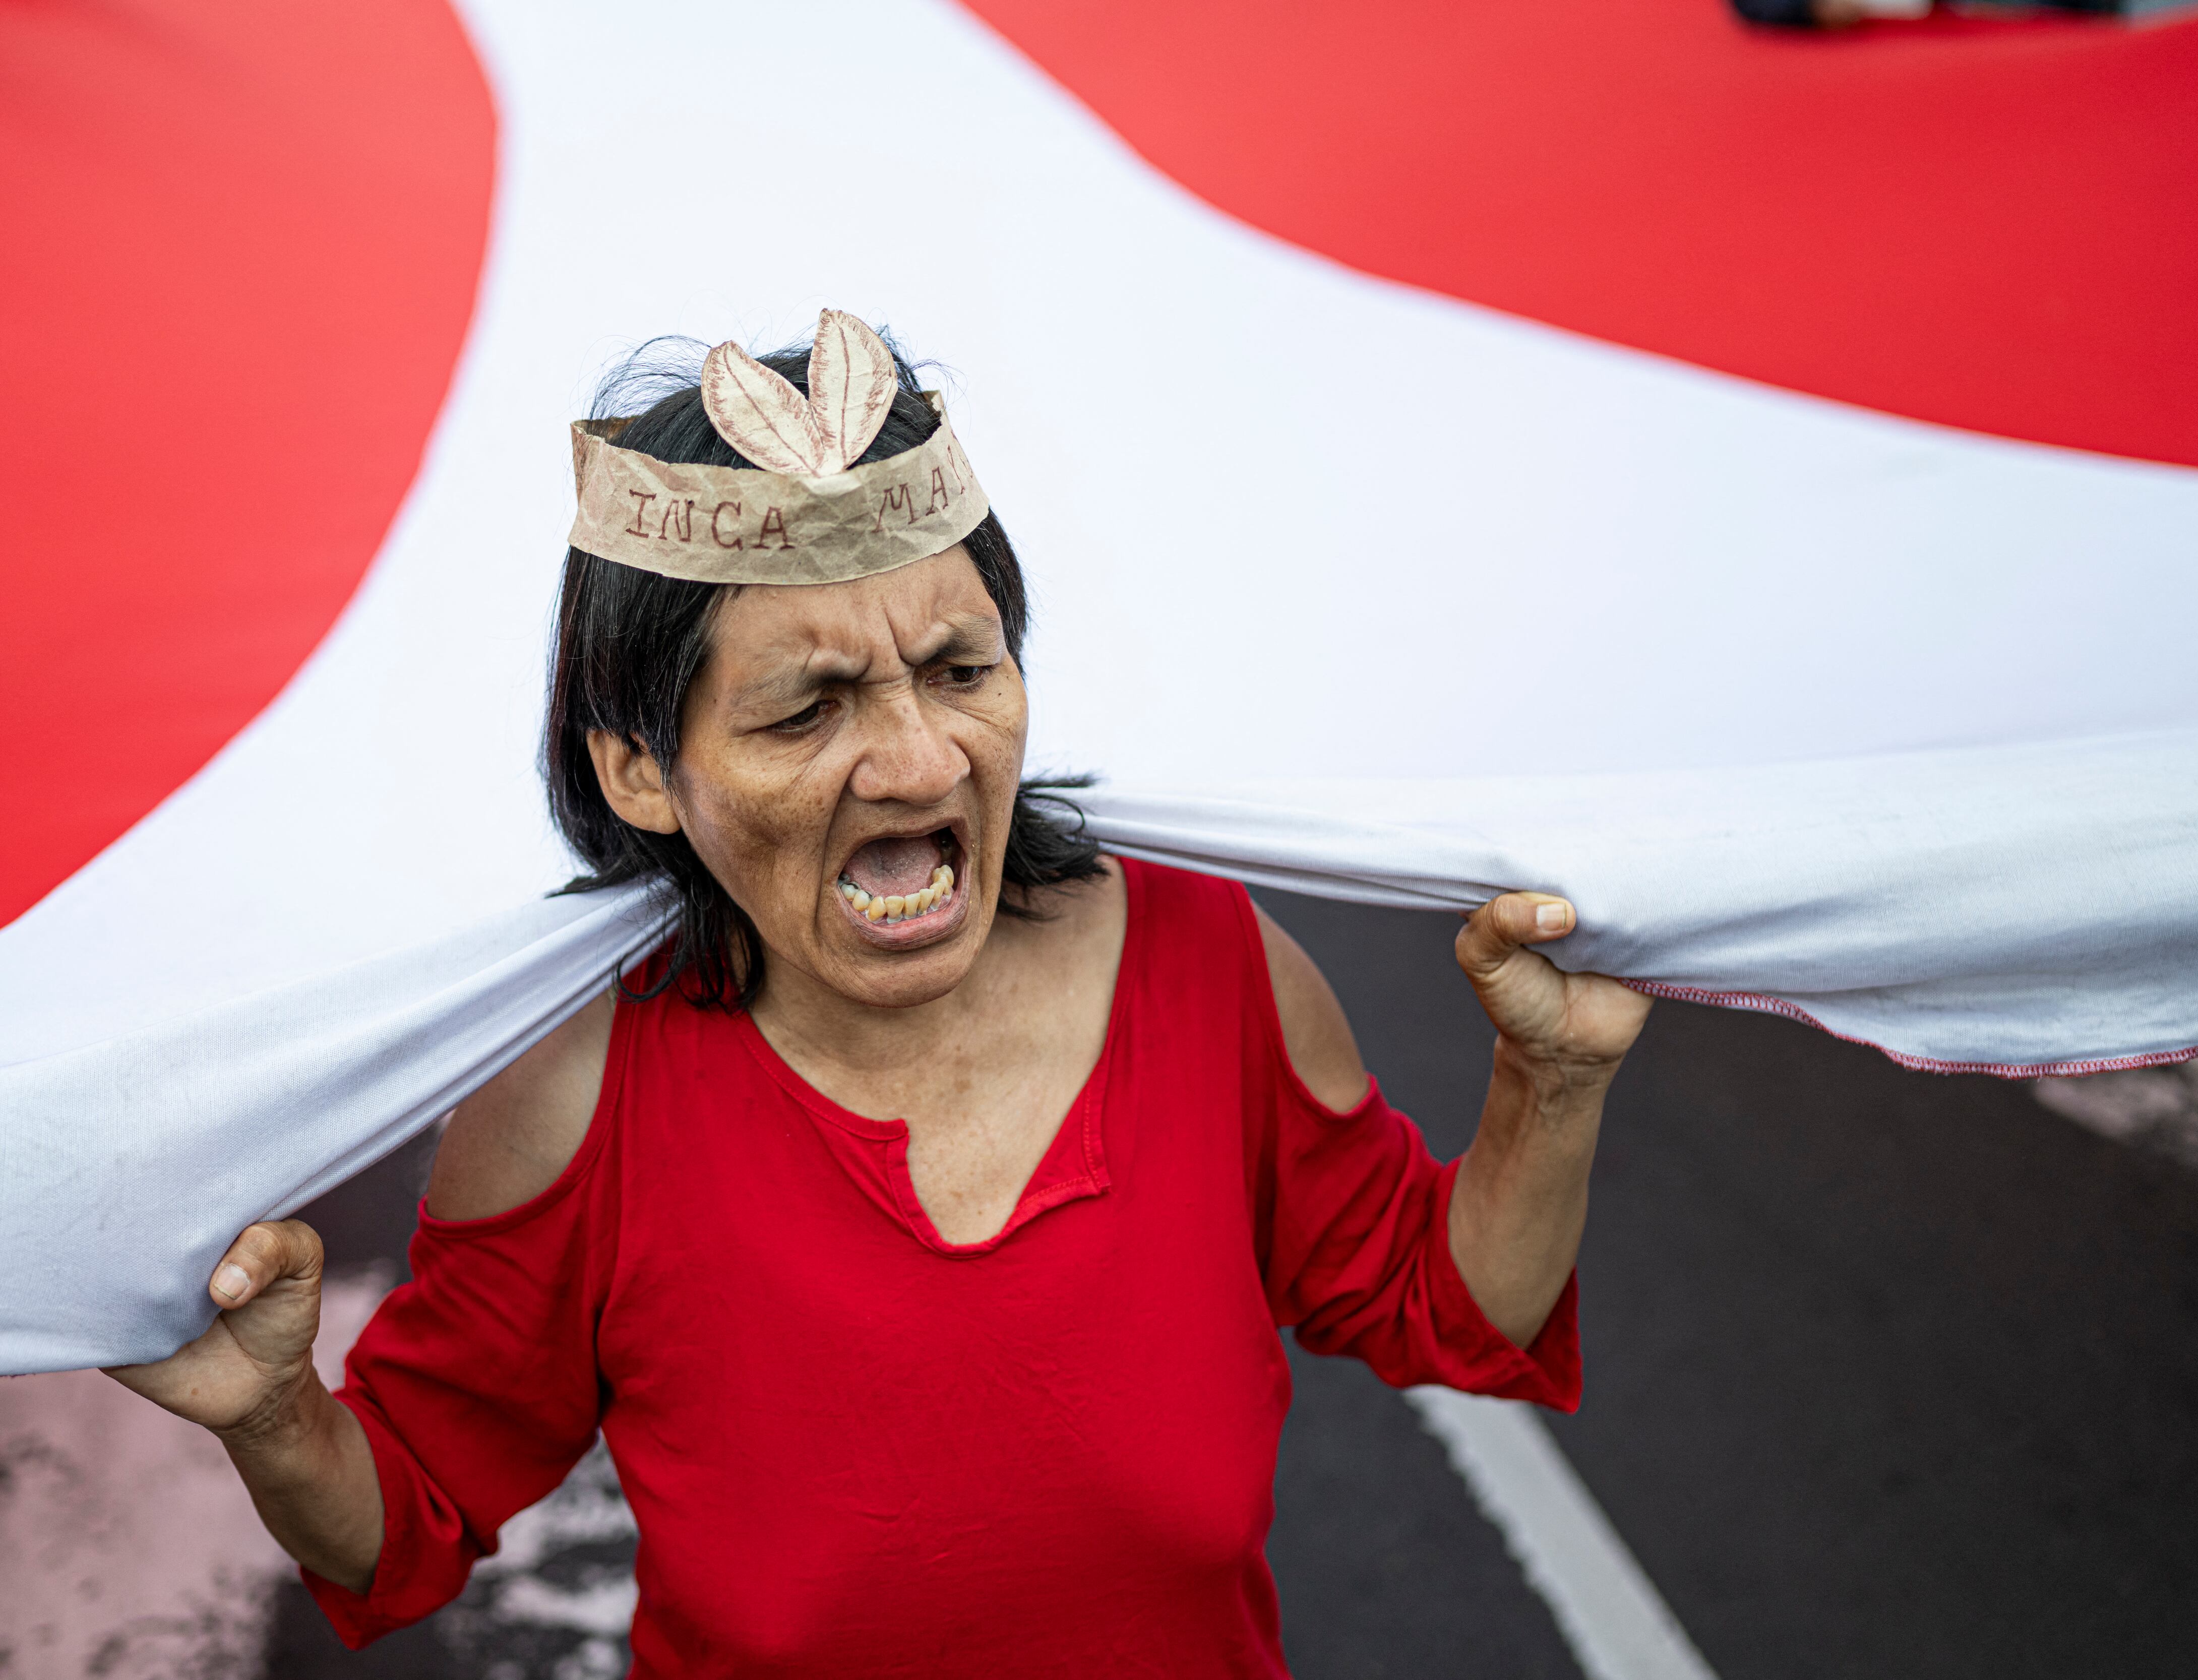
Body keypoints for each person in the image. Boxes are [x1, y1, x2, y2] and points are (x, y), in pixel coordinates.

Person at [111, 310, 1653, 1675]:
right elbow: (406, 1516)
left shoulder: (1206, 963)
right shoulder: (574, 1099)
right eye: (808, 709)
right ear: (642, 769)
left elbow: (1447, 1308)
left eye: (963, 672)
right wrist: (272, 1413)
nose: (922, 762)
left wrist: (1554, 1084)